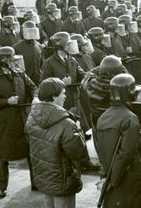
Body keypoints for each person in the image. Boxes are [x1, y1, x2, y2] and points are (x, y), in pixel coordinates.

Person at [25, 77, 88, 208]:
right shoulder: (66, 123)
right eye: (63, 93)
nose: (65, 97)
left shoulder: (31, 117)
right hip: (63, 180)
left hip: (44, 177)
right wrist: (78, 130)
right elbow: (79, 154)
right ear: (54, 96)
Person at [0, 46, 37, 198]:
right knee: (3, 156)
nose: (15, 62)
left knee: (30, 153)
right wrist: (6, 101)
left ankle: (35, 182)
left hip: (23, 119)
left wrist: (34, 97)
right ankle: (2, 187)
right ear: (3, 62)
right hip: (6, 123)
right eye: (11, 59)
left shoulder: (19, 73)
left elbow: (32, 87)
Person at [95, 73, 141, 208]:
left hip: (111, 176)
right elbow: (126, 153)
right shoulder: (130, 118)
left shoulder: (103, 117)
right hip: (128, 179)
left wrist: (106, 178)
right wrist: (113, 181)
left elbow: (102, 151)